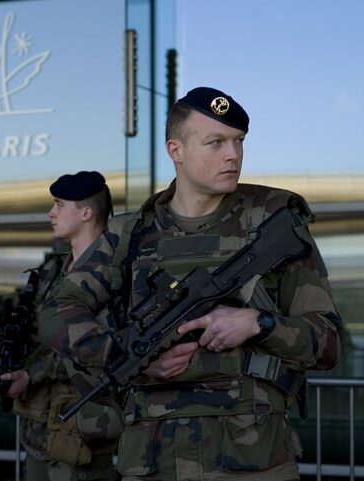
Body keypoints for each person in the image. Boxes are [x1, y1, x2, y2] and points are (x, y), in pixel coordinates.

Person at [40, 87, 344, 481]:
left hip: (255, 461)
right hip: (153, 462)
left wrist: (257, 324)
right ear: (175, 150)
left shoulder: (272, 221)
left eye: (238, 142)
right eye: (215, 142)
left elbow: (329, 343)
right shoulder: (128, 234)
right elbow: (56, 314)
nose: (233, 155)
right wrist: (133, 355)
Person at [0, 171, 124, 481]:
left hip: (83, 429)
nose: (50, 213)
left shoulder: (113, 272)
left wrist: (32, 373)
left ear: (86, 212)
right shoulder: (53, 269)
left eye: (58, 205)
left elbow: (93, 347)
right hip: (41, 427)